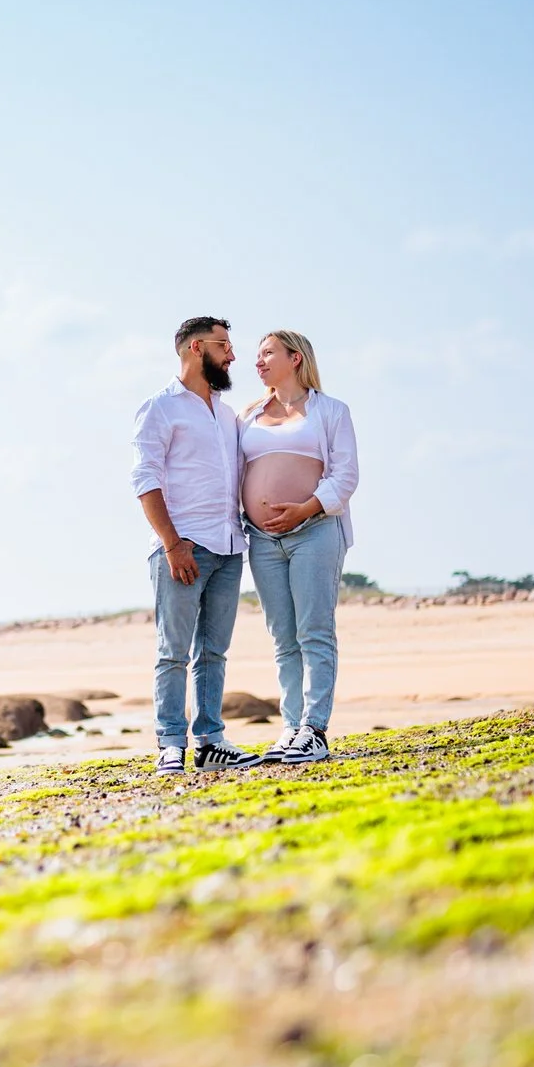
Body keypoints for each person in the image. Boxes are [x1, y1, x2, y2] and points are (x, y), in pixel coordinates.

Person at [131, 316, 257, 774]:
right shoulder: (161, 407)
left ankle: (209, 740)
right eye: (224, 346)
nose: (232, 355)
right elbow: (146, 480)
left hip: (228, 546)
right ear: (195, 348)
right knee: (172, 651)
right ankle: (170, 742)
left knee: (213, 651)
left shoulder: (226, 413)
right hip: (182, 547)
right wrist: (171, 544)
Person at [238, 330, 359, 763]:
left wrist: (305, 509)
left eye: (267, 353)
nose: (258, 361)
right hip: (263, 540)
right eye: (256, 355)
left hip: (316, 530)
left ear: (295, 357)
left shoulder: (330, 411)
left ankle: (315, 730)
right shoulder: (247, 416)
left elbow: (345, 477)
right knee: (282, 637)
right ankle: (291, 728)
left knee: (314, 631)